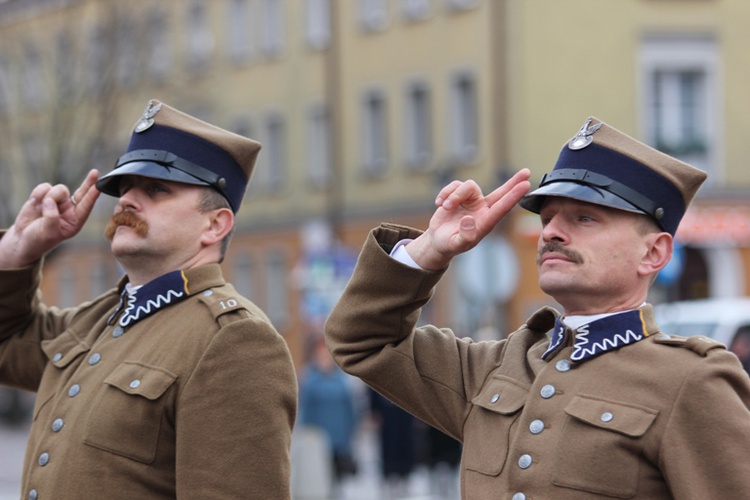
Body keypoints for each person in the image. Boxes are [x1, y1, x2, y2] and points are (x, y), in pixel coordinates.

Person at [326, 117, 750, 498]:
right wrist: (428, 253)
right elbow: (362, 340)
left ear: (653, 254)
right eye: (548, 218)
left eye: (585, 218)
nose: (553, 233)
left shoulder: (692, 382)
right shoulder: (495, 367)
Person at [0, 99, 298, 499]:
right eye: (124, 186)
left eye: (157, 189)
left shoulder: (234, 340)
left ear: (214, 224)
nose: (126, 200)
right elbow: (7, 342)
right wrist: (16, 254)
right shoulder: (101, 319)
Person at [298, 338, 358, 485]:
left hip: (340, 438)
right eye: (321, 356)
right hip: (319, 438)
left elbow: (349, 408)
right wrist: (308, 435)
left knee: (340, 478)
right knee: (321, 478)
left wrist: (351, 430)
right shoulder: (311, 382)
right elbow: (307, 411)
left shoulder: (341, 380)